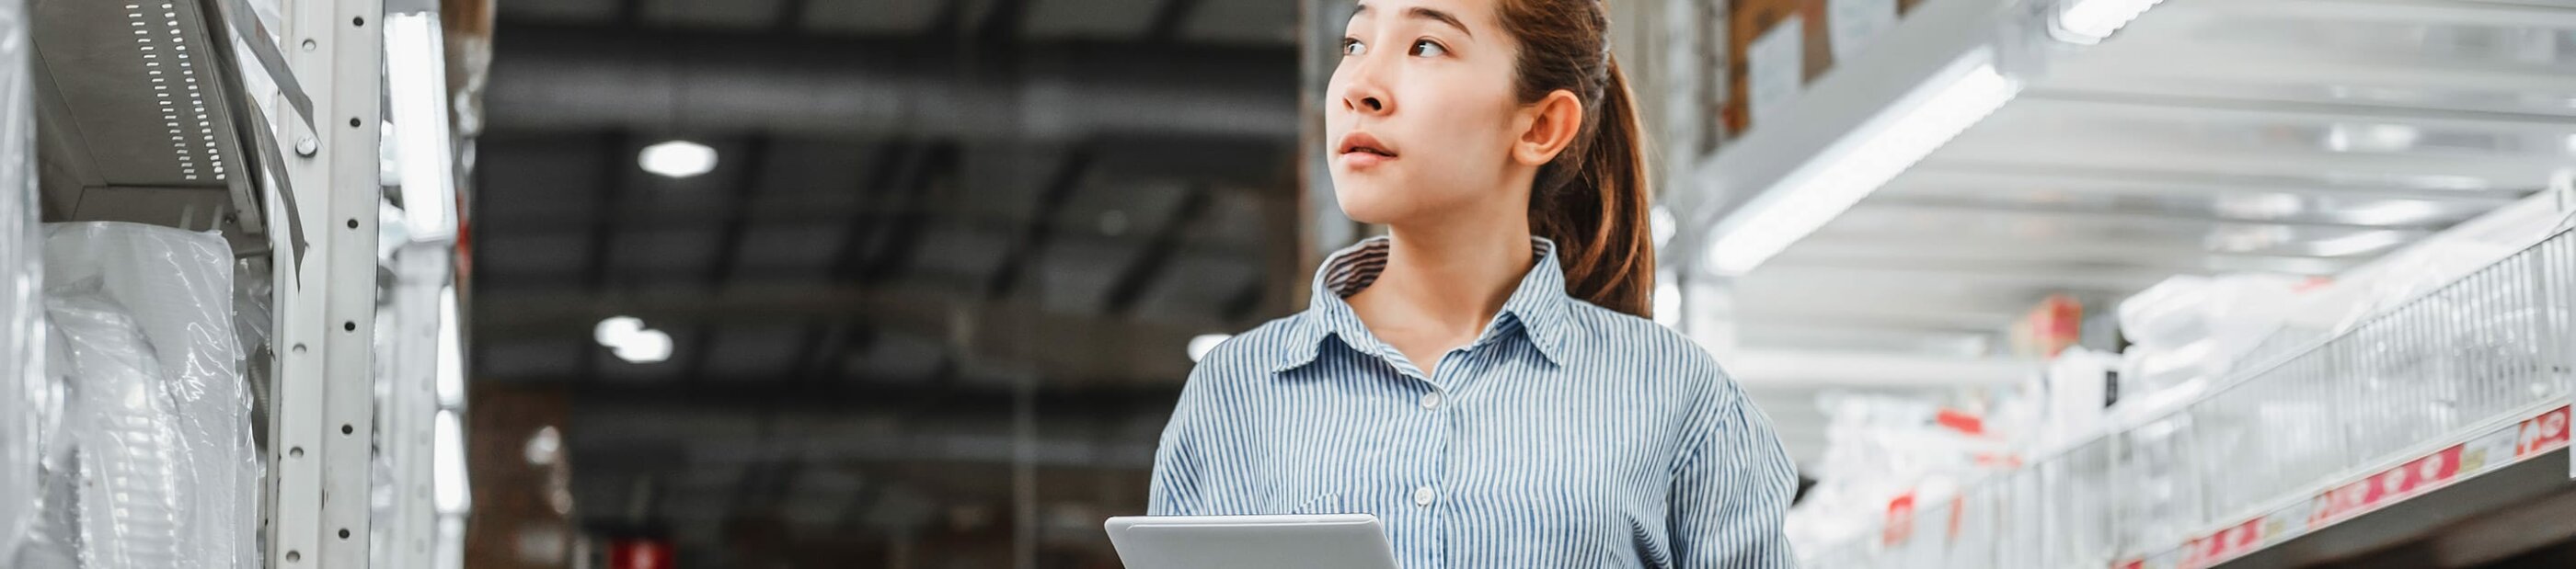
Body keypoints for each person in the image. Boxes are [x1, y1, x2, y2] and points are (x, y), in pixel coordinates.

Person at [1144, 0, 1798, 566]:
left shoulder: (1677, 395)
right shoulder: (1235, 393)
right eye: (1354, 43)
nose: (1359, 86)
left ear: (1541, 126)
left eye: (1426, 44)